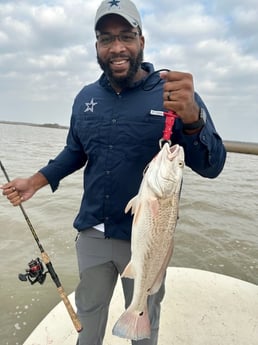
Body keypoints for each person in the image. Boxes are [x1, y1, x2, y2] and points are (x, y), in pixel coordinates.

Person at [1, 0, 226, 344]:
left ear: (142, 40)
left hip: (148, 239)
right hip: (92, 234)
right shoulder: (86, 98)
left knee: (143, 320)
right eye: (106, 38)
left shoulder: (173, 92)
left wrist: (195, 119)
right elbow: (75, 152)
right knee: (88, 316)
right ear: (97, 47)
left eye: (126, 36)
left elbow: (212, 166)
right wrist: (35, 181)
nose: (117, 47)